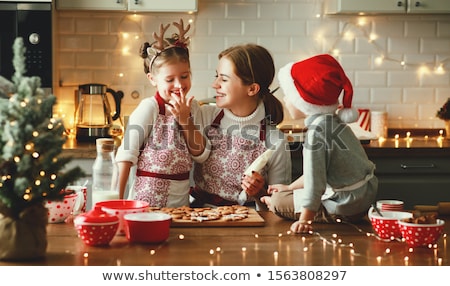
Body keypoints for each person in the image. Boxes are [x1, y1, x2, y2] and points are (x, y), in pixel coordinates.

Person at [261, 54, 378, 233]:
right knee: (285, 193)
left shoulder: (317, 132)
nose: (285, 100)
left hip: (345, 206)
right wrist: (290, 187)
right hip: (361, 199)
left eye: (289, 95)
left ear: (305, 101)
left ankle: (277, 205)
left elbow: (316, 183)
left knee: (278, 201)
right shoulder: (333, 121)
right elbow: (317, 172)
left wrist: (304, 221)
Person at [115, 19, 207, 208]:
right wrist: (116, 201)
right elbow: (126, 155)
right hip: (145, 201)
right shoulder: (149, 108)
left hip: (180, 204)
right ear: (152, 79)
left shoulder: (194, 108)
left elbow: (200, 154)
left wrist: (185, 120)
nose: (179, 85)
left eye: (184, 76)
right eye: (170, 79)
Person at [190, 43, 292, 208]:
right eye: (216, 77)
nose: (215, 85)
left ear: (252, 89)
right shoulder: (206, 116)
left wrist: (259, 193)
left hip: (246, 221)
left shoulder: (275, 141)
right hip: (199, 214)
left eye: (223, 79)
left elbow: (280, 206)